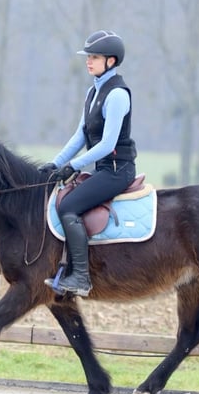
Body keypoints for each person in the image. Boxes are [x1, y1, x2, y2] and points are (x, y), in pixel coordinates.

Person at [38, 30, 138, 297]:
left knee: (69, 206)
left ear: (111, 61)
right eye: (88, 56)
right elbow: (80, 135)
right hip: (102, 169)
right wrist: (55, 163)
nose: (88, 61)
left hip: (118, 171)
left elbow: (107, 144)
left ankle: (80, 277)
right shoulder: (92, 92)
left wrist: (74, 166)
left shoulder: (117, 95)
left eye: (94, 57)